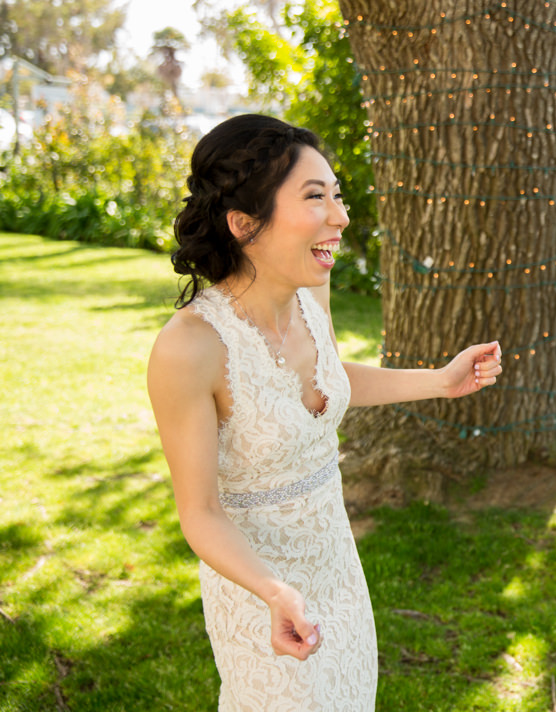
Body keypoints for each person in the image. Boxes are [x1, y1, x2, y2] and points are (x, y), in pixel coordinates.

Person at [146, 114, 502, 710]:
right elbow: (200, 514)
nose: (340, 217)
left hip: (338, 569)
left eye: (337, 196)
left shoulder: (312, 292)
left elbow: (328, 384)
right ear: (243, 223)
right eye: (316, 198)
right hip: (260, 594)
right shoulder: (189, 348)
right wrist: (273, 591)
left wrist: (441, 382)